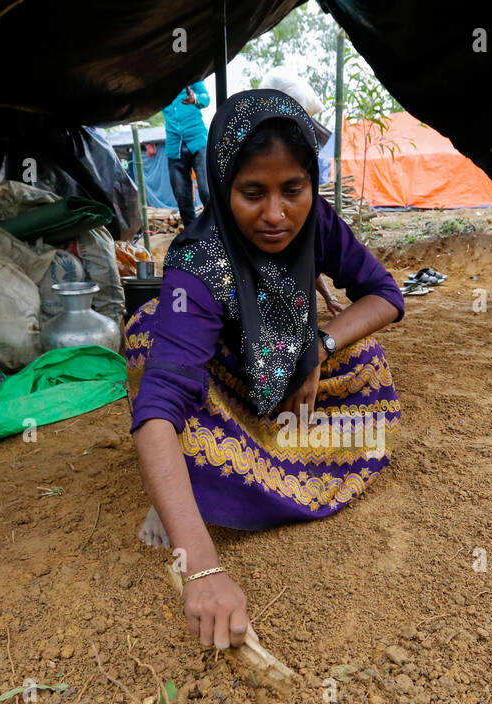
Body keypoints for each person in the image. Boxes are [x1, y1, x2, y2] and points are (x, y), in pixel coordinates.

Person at [126, 90, 404, 649]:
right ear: (222, 186)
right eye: (253, 193)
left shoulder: (319, 224)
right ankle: (184, 496)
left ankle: (250, 460)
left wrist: (319, 346)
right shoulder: (200, 263)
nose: (276, 215)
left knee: (366, 359)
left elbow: (386, 295)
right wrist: (201, 565)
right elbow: (159, 403)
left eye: (292, 191)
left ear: (311, 185)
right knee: (145, 334)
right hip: (226, 388)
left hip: (293, 379)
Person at [164, 82, 212, 227]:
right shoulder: (161, 84)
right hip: (174, 145)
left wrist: (195, 98)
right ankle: (193, 237)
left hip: (198, 140)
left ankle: (217, 230)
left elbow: (206, 98)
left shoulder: (192, 76)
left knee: (207, 191)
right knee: (182, 198)